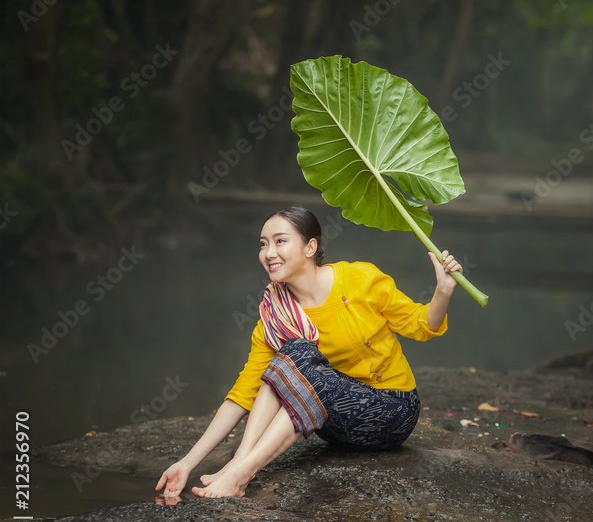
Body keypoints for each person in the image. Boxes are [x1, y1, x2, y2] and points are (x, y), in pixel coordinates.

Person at [155, 206, 462, 501]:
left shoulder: (360, 280)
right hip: (333, 425)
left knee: (301, 358)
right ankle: (239, 461)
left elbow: (421, 325)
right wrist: (187, 462)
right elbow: (245, 392)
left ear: (310, 247)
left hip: (391, 412)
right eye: (263, 244)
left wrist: (443, 292)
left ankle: (239, 476)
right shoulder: (276, 315)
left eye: (280, 241)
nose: (269, 253)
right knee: (289, 356)